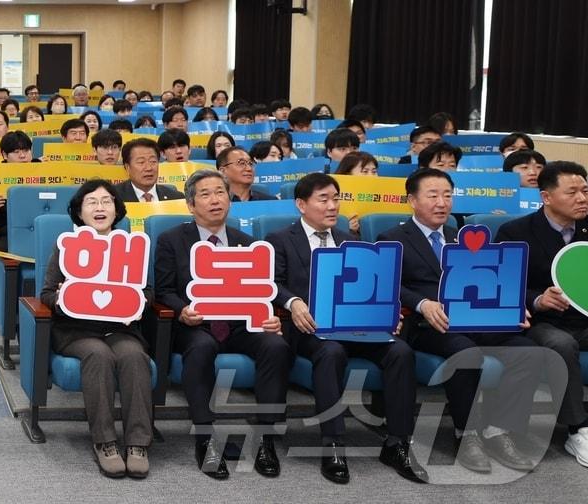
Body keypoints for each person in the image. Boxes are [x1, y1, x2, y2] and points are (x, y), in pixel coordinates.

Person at [265, 173, 425, 484]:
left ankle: (397, 443)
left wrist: (389, 312)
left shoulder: (352, 242)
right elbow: (272, 284)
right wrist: (294, 302)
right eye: (323, 199)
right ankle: (333, 444)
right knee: (331, 352)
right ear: (301, 204)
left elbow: (375, 286)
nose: (332, 205)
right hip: (311, 329)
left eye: (336, 199)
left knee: (400, 351)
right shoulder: (281, 239)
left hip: (356, 326)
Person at [377, 168, 539, 474]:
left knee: (528, 352)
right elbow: (388, 282)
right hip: (428, 325)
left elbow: (491, 279)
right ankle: (467, 434)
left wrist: (511, 306)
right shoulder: (393, 237)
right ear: (412, 200)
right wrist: (422, 304)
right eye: (433, 195)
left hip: (475, 318)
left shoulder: (462, 236)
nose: (442, 203)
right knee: (466, 352)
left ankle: (498, 430)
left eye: (447, 195)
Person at [154, 169, 290, 480]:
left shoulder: (246, 243)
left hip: (241, 324)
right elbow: (163, 291)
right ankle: (205, 437)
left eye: (220, 192)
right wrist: (182, 310)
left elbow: (260, 290)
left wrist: (267, 316)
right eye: (206, 194)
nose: (216, 199)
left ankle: (265, 439)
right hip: (197, 325)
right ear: (191, 205)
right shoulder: (171, 240)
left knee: (276, 345)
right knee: (201, 348)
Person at [38, 179, 153, 479]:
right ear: (79, 210)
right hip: (77, 332)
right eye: (91, 202)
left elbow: (147, 291)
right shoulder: (67, 245)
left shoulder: (131, 245)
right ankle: (105, 441)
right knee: (98, 355)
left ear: (117, 209)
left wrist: (137, 304)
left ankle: (138, 443)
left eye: (106, 201)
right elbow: (47, 294)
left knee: (133, 356)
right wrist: (62, 298)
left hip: (121, 329)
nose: (100, 207)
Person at [494, 161, 588, 468]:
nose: (582, 198)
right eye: (572, 192)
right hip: (541, 321)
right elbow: (501, 284)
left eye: (585, 190)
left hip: (584, 318)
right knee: (561, 344)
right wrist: (536, 299)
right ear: (546, 197)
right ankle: (577, 429)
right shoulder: (515, 231)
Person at [117, 138, 183, 202]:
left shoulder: (177, 198)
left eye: (153, 161)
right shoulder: (114, 197)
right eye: (141, 162)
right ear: (127, 167)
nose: (149, 168)